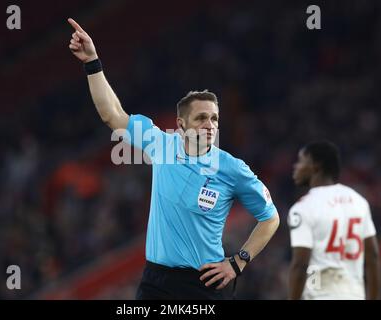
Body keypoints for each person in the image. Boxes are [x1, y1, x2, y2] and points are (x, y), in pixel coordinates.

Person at [67, 18, 280, 300]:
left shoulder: (232, 168)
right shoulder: (160, 144)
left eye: (214, 118)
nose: (210, 124)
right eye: (202, 118)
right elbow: (112, 114)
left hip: (204, 283)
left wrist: (238, 261)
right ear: (181, 125)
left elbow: (270, 218)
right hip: (156, 280)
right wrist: (92, 62)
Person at [288, 141, 380, 300]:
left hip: (320, 294)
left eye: (301, 161)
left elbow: (301, 265)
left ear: (316, 166)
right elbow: (372, 255)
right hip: (354, 294)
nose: (296, 167)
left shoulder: (303, 208)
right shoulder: (358, 201)